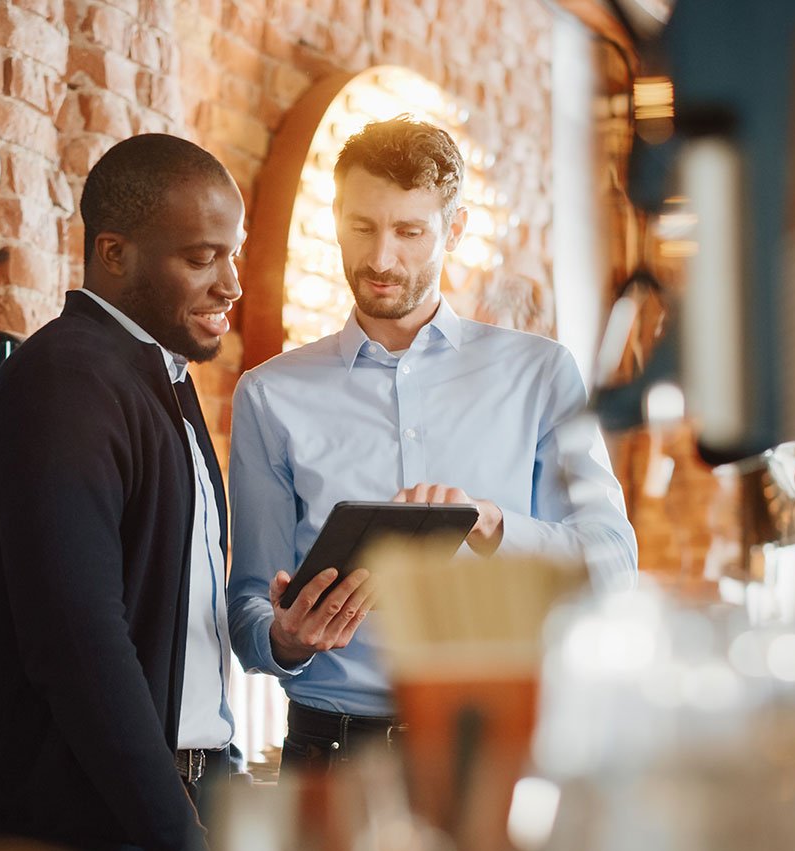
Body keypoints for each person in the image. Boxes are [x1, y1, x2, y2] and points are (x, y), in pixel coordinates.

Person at [227, 117, 639, 774]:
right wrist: (284, 636)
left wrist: (496, 525)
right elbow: (249, 602)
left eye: (410, 232)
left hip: (501, 750)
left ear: (456, 229)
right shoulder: (270, 394)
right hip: (332, 758)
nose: (381, 258)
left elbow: (614, 561)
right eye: (361, 227)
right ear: (335, 218)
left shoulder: (541, 374)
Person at [0, 134, 249, 851]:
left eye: (232, 255)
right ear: (114, 253)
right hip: (79, 829)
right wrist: (178, 835)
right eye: (202, 258)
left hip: (150, 809)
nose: (231, 284)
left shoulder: (155, 380)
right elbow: (77, 641)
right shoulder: (68, 382)